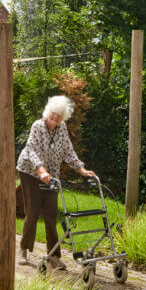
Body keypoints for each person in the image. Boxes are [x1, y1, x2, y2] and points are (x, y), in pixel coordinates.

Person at [16, 95, 94, 269]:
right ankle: (23, 248)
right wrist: (41, 170)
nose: (55, 117)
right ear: (48, 111)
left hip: (51, 175)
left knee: (51, 214)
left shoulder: (62, 128)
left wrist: (81, 169)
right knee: (33, 212)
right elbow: (32, 150)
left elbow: (68, 151)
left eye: (60, 115)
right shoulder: (37, 126)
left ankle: (54, 256)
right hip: (30, 172)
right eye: (54, 113)